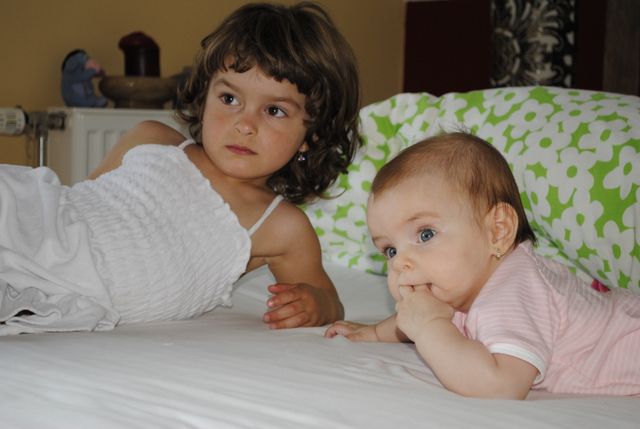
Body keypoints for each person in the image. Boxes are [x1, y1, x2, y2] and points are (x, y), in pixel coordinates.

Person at [0, 2, 361, 334]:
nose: (244, 124)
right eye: (229, 98)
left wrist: (317, 304)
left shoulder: (281, 227)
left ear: (311, 134)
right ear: (204, 97)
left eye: (274, 110)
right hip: (30, 221)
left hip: (63, 289)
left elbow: (328, 298)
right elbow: (76, 203)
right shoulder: (153, 138)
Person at [325, 132, 640, 398]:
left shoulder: (512, 291)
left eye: (425, 234)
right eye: (390, 250)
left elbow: (502, 385)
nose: (400, 263)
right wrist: (376, 333)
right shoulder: (466, 283)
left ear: (497, 231)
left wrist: (430, 328)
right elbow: (427, 314)